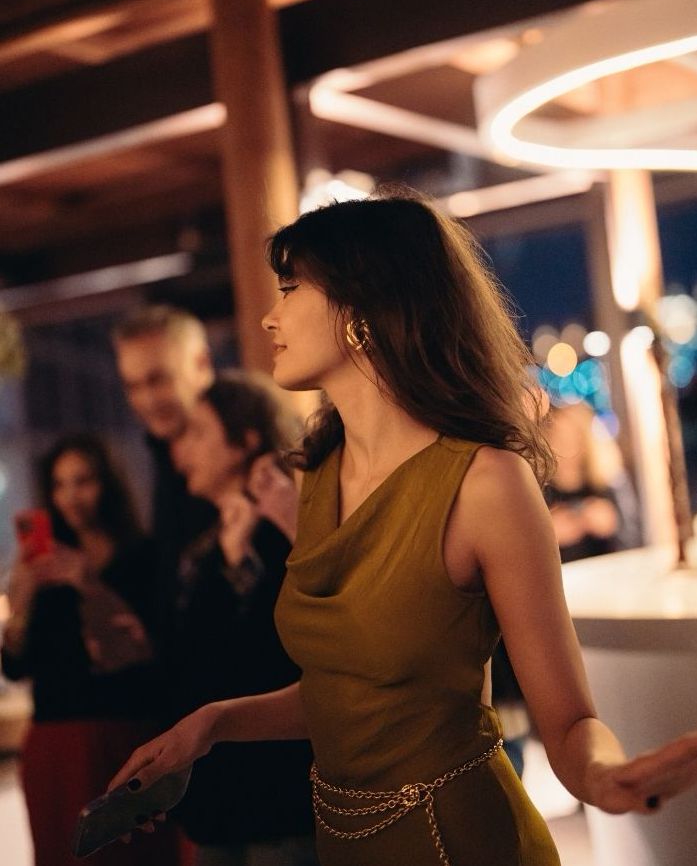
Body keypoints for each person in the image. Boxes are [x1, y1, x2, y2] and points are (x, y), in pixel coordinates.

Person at [109, 193, 697, 866]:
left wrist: (604, 778)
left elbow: (567, 720)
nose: (270, 316)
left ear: (361, 309)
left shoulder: (484, 481)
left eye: (291, 289)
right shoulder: (317, 473)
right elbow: (352, 696)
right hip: (346, 841)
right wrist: (211, 724)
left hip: (461, 842)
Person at [1, 433, 180, 866]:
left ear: (107, 484)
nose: (71, 496)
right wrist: (21, 602)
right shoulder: (40, 568)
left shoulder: (142, 556)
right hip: (54, 737)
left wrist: (89, 584)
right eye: (59, 484)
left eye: (83, 481)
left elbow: (152, 654)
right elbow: (16, 665)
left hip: (123, 733)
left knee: (133, 855)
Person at [166, 371, 316, 865]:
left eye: (198, 432)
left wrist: (238, 566)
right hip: (222, 797)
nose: (181, 450)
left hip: (277, 796)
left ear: (245, 441)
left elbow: (270, 657)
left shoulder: (282, 527)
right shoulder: (212, 538)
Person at [112, 306, 218, 655]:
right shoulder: (162, 451)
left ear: (201, 364)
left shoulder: (244, 450)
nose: (147, 400)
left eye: (158, 379)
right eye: (132, 386)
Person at [545, 402, 632, 563]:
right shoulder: (539, 494)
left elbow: (636, 540)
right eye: (558, 439)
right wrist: (546, 537)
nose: (566, 449)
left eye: (573, 439)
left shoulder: (606, 485)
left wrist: (612, 526)